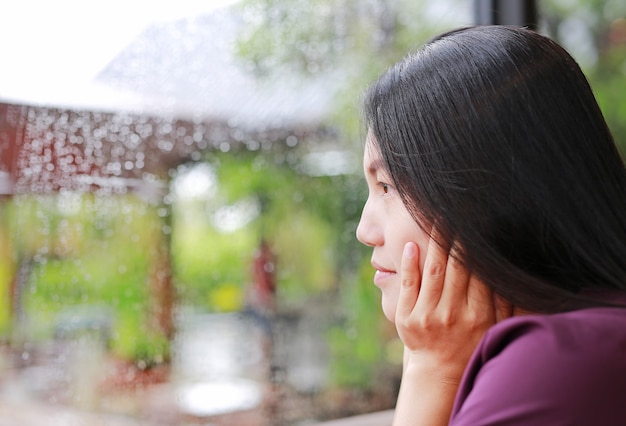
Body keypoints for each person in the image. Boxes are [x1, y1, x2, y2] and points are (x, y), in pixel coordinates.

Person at [356, 25, 626, 425]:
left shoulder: (552, 365)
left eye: (387, 186)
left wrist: (432, 371)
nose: (365, 230)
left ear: (483, 193)